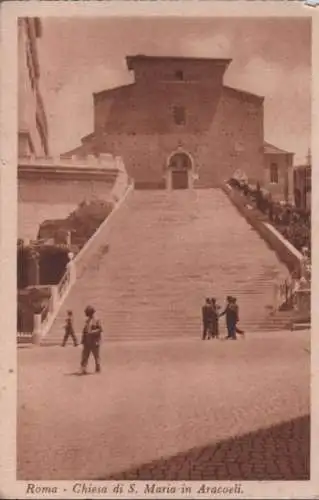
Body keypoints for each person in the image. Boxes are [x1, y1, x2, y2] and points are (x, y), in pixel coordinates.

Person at [80, 306, 102, 374]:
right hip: (87, 341)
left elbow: (100, 329)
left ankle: (98, 368)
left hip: (94, 341)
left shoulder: (97, 320)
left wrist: (92, 332)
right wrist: (83, 339)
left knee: (96, 356)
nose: (86, 314)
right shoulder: (87, 321)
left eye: (87, 312)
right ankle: (83, 368)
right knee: (85, 355)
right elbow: (84, 331)